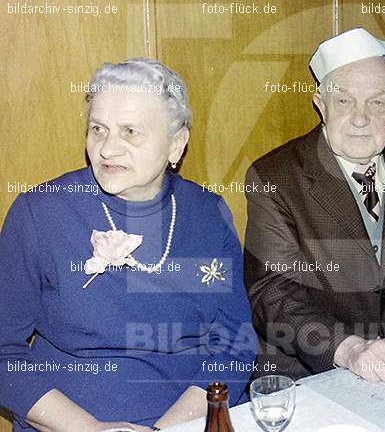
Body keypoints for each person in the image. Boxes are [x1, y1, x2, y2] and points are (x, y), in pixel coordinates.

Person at [0, 58, 256, 431]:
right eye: (98, 129)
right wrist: (92, 429)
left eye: (130, 132)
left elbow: (234, 344)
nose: (107, 150)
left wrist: (168, 429)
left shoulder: (207, 214)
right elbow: (4, 351)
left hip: (191, 417)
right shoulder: (40, 212)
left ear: (176, 143)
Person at [244, 28, 385, 386]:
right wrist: (350, 349)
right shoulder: (274, 176)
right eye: (344, 101)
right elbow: (273, 293)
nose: (361, 118)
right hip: (308, 377)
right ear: (320, 104)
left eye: (377, 102)